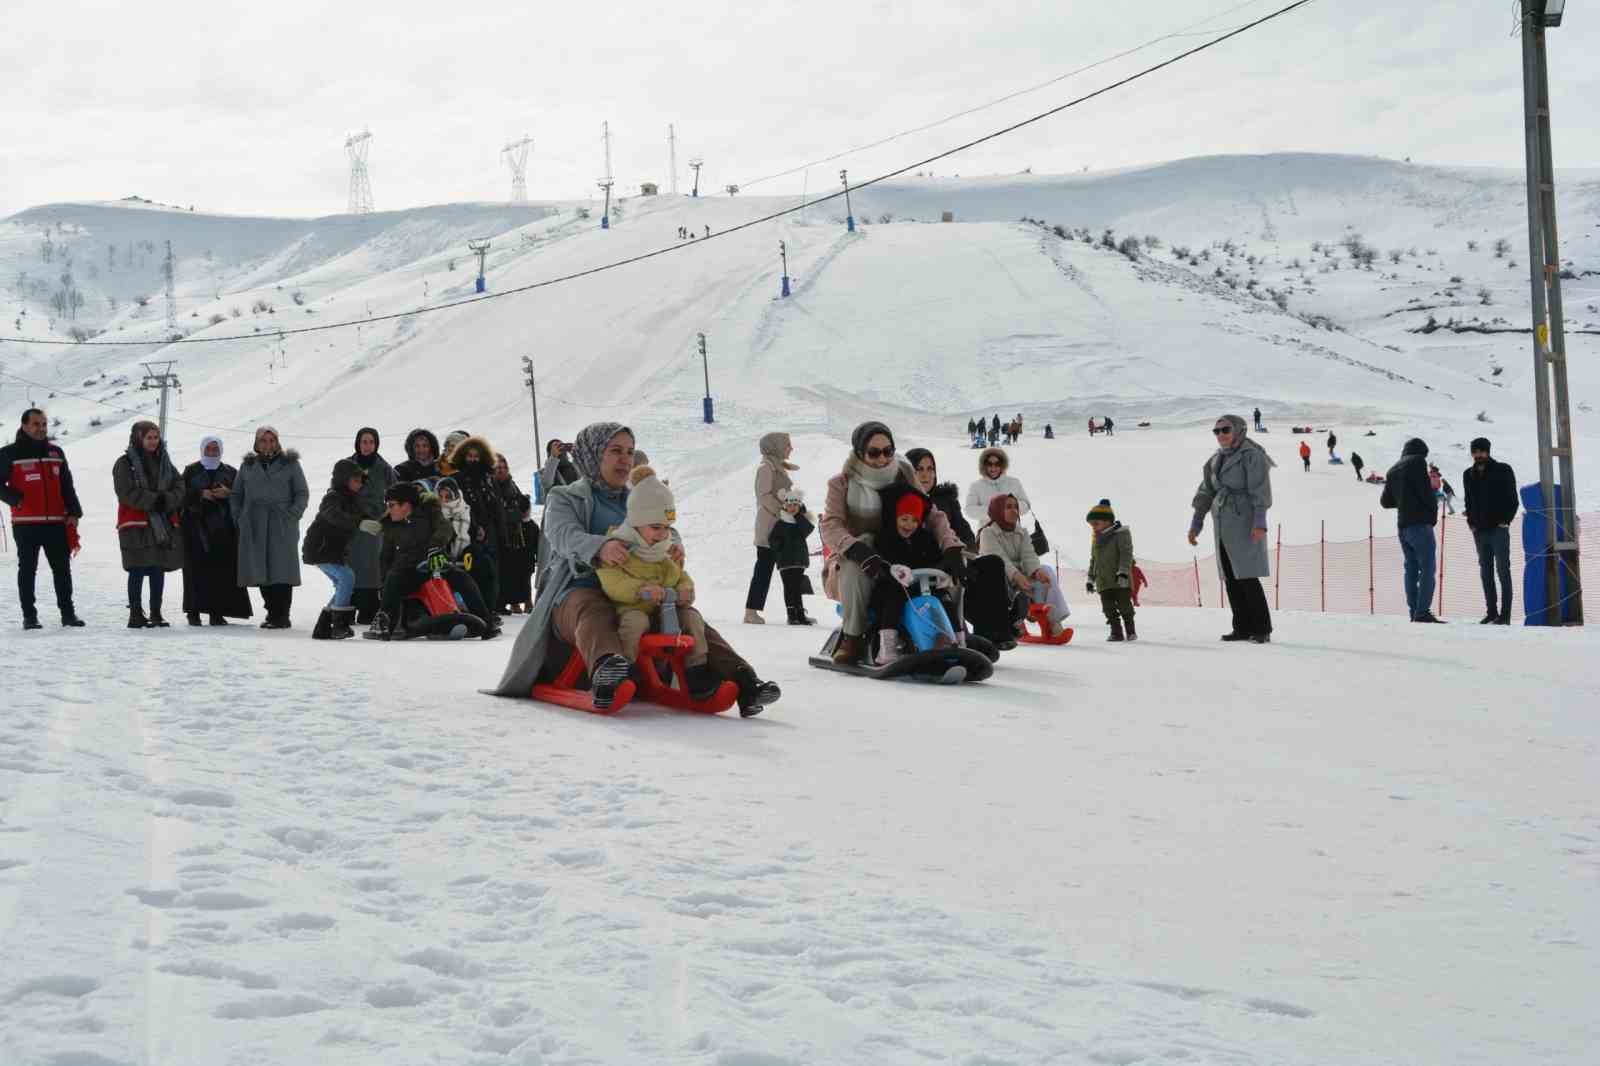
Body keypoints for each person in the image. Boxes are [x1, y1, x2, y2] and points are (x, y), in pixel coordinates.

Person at [491, 422, 781, 716]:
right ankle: (608, 672)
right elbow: (562, 534)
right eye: (615, 451)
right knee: (593, 609)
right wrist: (600, 547)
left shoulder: (637, 497)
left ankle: (745, 680)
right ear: (594, 455)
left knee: (688, 617)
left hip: (637, 592)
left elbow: (666, 528)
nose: (625, 460)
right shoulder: (565, 497)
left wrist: (674, 545)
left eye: (630, 452)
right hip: (580, 589)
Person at [820, 421, 964, 665]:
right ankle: (853, 636)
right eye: (874, 452)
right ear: (860, 452)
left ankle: (953, 631)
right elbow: (830, 525)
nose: (882, 458)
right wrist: (855, 548)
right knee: (855, 569)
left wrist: (950, 546)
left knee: (952, 569)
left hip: (900, 548)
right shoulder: (842, 483)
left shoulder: (903, 473)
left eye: (888, 451)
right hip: (857, 553)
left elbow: (931, 514)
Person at [596, 465, 719, 698]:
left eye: (667, 528)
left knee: (692, 617)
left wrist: (685, 590)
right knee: (635, 622)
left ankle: (696, 670)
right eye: (655, 527)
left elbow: (679, 575)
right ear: (636, 523)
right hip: (631, 609)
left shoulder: (663, 550)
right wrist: (641, 590)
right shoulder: (618, 547)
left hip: (664, 613)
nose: (662, 534)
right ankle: (626, 669)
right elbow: (612, 581)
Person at [370, 482, 498, 641]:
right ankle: (384, 623)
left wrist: (435, 548)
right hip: (408, 572)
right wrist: (383, 584)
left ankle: (486, 621)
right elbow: (385, 557)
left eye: (392, 505)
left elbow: (445, 529)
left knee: (462, 578)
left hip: (435, 564)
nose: (389, 509)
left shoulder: (430, 511)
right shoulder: (391, 525)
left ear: (406, 505)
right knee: (392, 578)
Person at [1189, 414, 1275, 643]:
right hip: (1222, 523)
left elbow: (1260, 491)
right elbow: (1206, 491)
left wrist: (1260, 522)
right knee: (1230, 576)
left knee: (1246, 576)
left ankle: (1261, 629)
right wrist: (1197, 523)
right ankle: (1242, 627)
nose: (1221, 435)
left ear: (1238, 430)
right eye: (1216, 431)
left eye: (1225, 430)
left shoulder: (1252, 455)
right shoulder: (1216, 459)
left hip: (1245, 521)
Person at [1, 407, 84, 629]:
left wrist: (74, 512)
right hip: (26, 524)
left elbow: (67, 485)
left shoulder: (56, 453)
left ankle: (68, 614)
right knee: (28, 570)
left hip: (56, 522)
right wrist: (16, 500)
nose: (41, 428)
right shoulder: (9, 453)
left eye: (44, 424)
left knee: (62, 569)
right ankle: (30, 616)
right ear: (24, 426)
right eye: (36, 424)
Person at [868, 482, 964, 664]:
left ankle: (958, 640)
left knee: (944, 598)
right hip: (892, 586)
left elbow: (936, 559)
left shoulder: (925, 539)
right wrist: (893, 570)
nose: (909, 525)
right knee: (894, 596)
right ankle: (888, 648)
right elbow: (882, 562)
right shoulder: (885, 538)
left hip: (922, 586)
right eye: (904, 519)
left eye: (914, 520)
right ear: (896, 517)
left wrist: (943, 572)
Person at [231, 426, 309, 629]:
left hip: (282, 522)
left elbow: (301, 492)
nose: (268, 444)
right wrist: (240, 517)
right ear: (256, 443)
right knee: (260, 569)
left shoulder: (290, 464)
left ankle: (281, 615)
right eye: (263, 440)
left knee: (281, 570)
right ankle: (271, 612)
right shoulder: (248, 466)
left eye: (271, 440)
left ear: (277, 442)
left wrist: (293, 514)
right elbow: (237, 494)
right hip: (254, 523)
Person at [112, 421, 185, 628]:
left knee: (157, 567)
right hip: (135, 524)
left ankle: (156, 613)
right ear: (138, 438)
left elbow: (179, 485)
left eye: (155, 437)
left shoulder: (165, 462)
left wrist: (167, 499)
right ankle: (135, 614)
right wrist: (155, 500)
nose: (153, 442)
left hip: (160, 524)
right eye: (148, 438)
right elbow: (125, 492)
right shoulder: (125, 463)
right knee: (136, 567)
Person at [300, 458, 377, 640]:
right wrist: (359, 523)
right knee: (346, 577)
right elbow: (333, 515)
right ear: (344, 479)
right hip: (321, 548)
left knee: (343, 583)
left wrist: (382, 522)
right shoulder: (332, 497)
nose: (359, 484)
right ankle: (339, 625)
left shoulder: (353, 500)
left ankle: (324, 626)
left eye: (360, 481)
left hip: (334, 550)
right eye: (355, 480)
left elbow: (364, 517)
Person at [180, 436, 252, 625]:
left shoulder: (230, 472)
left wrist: (229, 494)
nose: (212, 452)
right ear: (202, 449)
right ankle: (193, 612)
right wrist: (199, 494)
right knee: (194, 573)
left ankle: (216, 612)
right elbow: (179, 494)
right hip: (195, 530)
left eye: (215, 449)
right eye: (209, 449)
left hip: (223, 530)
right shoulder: (191, 470)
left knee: (220, 573)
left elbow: (244, 497)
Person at [978, 493, 1070, 640]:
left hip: (1021, 575)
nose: (1014, 510)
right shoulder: (987, 533)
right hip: (1000, 578)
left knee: (1046, 570)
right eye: (1008, 507)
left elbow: (1029, 555)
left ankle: (1049, 618)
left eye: (1016, 507)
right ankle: (1016, 618)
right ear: (997, 510)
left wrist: (1037, 571)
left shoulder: (1022, 532)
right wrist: (1017, 576)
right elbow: (999, 559)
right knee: (999, 575)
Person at [745, 431, 808, 624]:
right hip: (769, 528)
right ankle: (751, 612)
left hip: (781, 528)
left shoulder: (777, 466)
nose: (791, 448)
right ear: (776, 447)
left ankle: (796, 612)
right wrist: (784, 511)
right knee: (764, 570)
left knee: (791, 572)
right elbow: (763, 496)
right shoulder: (766, 468)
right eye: (787, 445)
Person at [1380, 438, 1443, 623]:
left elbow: (1385, 502)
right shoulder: (1417, 462)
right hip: (1420, 525)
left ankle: (1414, 612)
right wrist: (1432, 512)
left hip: (1403, 527)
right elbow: (1425, 492)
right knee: (1427, 568)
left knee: (1411, 570)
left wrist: (1404, 499)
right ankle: (1422, 612)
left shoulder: (1393, 469)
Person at [448, 435, 504, 620]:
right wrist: (474, 527)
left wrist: (500, 532)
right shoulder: (456, 480)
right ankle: (475, 611)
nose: (473, 460)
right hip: (466, 534)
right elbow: (456, 508)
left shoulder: (489, 480)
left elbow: (497, 508)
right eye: (469, 456)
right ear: (462, 457)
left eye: (476, 456)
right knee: (472, 574)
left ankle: (489, 610)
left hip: (490, 534)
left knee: (491, 573)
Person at [1463, 437, 1518, 624]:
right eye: (1475, 451)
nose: (1478, 455)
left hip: (1498, 529)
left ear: (1488, 451)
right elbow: (1468, 501)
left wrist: (1505, 521)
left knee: (1503, 570)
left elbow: (1513, 499)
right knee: (1485, 572)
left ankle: (1505, 615)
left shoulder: (1503, 470)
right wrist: (1471, 523)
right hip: (1479, 530)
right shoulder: (1468, 474)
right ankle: (1491, 613)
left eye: (1481, 451)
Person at [348, 427, 397, 623]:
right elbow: (335, 491)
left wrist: (386, 516)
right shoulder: (347, 465)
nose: (367, 446)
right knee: (351, 568)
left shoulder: (385, 468)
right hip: (353, 525)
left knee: (372, 570)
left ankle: (368, 610)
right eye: (364, 442)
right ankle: (347, 609)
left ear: (376, 444)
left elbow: (396, 495)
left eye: (371, 442)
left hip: (376, 526)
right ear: (358, 444)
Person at [1085, 499, 1136, 642]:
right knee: (1108, 608)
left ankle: (1130, 631)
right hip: (1103, 581)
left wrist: (1123, 572)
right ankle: (1116, 632)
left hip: (1119, 579)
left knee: (1125, 606)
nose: (1093, 527)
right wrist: (1090, 579)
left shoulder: (1121, 534)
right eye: (1091, 525)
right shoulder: (1096, 539)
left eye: (1096, 523)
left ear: (1107, 521)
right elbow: (1093, 560)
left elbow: (1126, 554)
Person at [493, 454, 537, 614]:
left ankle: (526, 599)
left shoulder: (512, 485)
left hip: (518, 532)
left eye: (504, 467)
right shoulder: (491, 486)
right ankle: (512, 602)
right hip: (501, 533)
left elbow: (521, 505)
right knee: (507, 571)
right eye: (498, 468)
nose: (501, 471)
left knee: (523, 567)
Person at [766, 487, 816, 626]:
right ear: (785, 506)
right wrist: (780, 547)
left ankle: (800, 614)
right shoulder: (781, 523)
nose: (792, 508)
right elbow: (772, 540)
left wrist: (798, 516)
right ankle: (791, 614)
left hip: (799, 561)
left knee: (797, 587)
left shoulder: (801, 522)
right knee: (789, 587)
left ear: (799, 506)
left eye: (795, 505)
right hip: (785, 561)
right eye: (789, 505)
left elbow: (807, 530)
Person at [964, 446, 1031, 523]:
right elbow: (969, 510)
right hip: (987, 530)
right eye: (989, 464)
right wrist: (993, 510)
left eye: (997, 464)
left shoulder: (1014, 482)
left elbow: (1026, 505)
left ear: (1003, 465)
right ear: (984, 466)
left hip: (1013, 529)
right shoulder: (976, 486)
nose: (993, 468)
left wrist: (1009, 508)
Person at [435, 477, 472, 558]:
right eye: (440, 496)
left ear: (455, 496)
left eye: (447, 497)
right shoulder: (434, 513)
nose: (443, 501)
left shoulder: (465, 512)